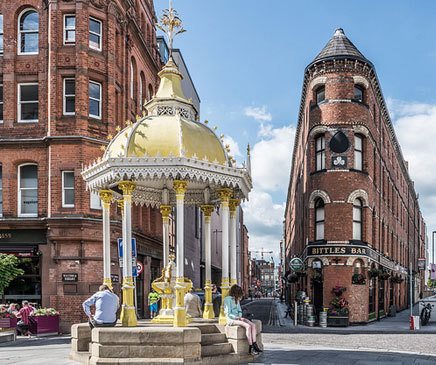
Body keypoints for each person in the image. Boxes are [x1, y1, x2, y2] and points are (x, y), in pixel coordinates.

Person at [223, 284, 262, 356]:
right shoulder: (227, 299)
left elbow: (239, 310)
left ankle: (255, 344)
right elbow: (228, 313)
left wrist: (240, 316)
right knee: (248, 326)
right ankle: (251, 347)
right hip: (231, 319)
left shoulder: (236, 299)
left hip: (238, 318)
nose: (239, 297)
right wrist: (237, 318)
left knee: (253, 325)